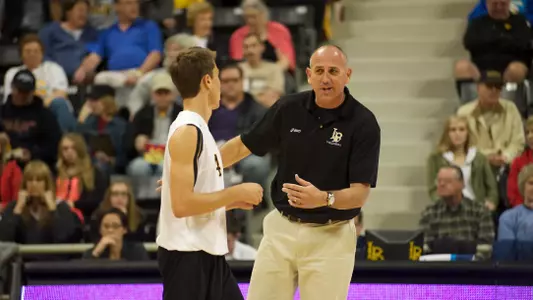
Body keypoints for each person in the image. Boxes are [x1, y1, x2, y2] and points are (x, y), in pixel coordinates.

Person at [158, 44, 381, 299]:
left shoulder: (363, 123)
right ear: (308, 75)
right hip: (282, 228)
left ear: (347, 75)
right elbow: (243, 145)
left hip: (331, 234)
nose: (326, 78)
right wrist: (193, 171)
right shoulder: (289, 108)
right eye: (319, 71)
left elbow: (359, 194)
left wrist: (323, 198)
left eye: (333, 71)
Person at [155, 47, 263, 300]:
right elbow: (181, 206)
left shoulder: (200, 130)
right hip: (186, 256)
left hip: (207, 253)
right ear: (207, 81)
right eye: (217, 77)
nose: (220, 86)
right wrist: (233, 192)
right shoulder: (187, 131)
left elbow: (195, 199)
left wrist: (232, 202)